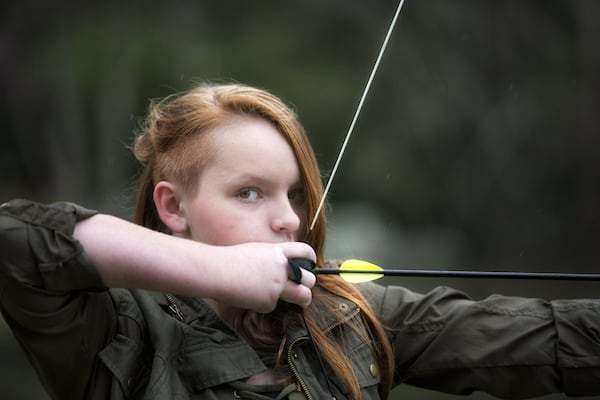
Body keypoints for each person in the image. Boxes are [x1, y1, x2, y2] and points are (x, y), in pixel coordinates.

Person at [1, 82, 599, 400]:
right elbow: (16, 241)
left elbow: (549, 339)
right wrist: (218, 274)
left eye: (295, 194)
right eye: (250, 193)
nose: (289, 219)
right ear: (172, 207)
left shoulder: (345, 314)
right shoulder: (115, 329)